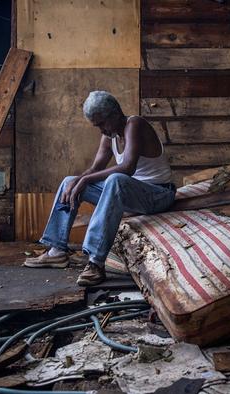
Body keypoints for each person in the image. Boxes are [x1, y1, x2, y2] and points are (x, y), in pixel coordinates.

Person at [23, 91, 176, 286]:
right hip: (133, 195)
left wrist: (85, 181)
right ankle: (56, 251)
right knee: (69, 181)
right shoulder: (110, 135)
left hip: (159, 194)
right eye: (97, 126)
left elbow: (127, 167)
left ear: (115, 114)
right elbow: (95, 168)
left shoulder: (134, 125)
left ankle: (95, 263)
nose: (101, 130)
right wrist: (78, 180)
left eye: (102, 124)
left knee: (116, 180)